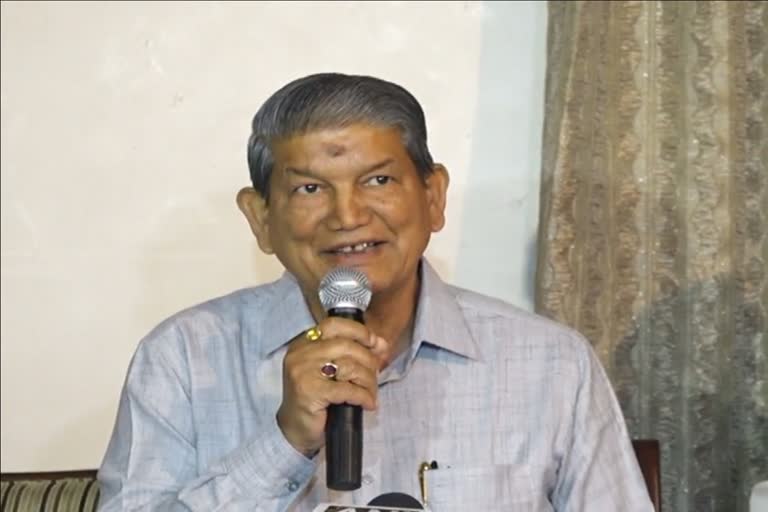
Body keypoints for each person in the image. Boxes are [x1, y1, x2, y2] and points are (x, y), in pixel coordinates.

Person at [97, 73, 653, 511]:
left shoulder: (551, 365)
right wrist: (284, 442)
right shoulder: (182, 359)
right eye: (310, 188)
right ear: (261, 217)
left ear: (433, 197)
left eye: (379, 180)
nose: (347, 215)